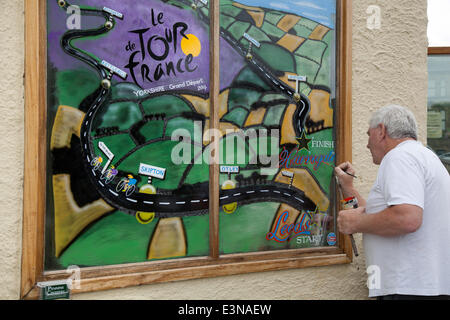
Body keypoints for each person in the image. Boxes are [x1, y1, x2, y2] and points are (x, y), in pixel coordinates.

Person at [335, 104, 450, 300]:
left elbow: (407, 218)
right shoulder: (424, 156)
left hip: (408, 289)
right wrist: (349, 188)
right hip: (423, 287)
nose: (367, 144)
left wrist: (354, 223)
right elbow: (382, 213)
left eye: (368, 134)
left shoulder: (399, 157)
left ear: (381, 131)